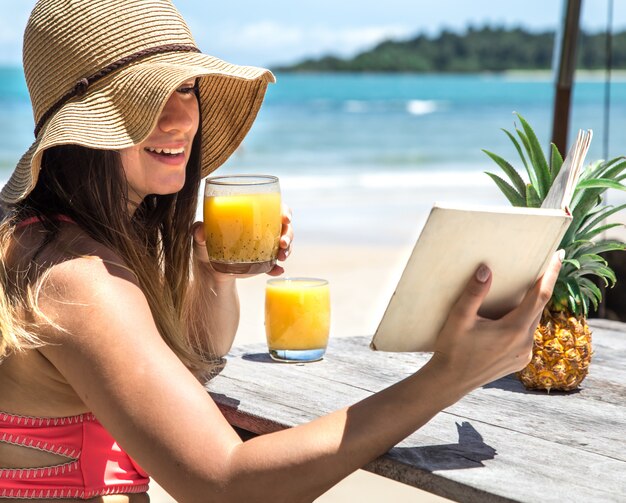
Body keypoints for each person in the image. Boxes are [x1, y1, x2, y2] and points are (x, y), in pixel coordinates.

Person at [0, 0, 562, 501]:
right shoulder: (78, 278)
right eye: (145, 99)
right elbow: (225, 483)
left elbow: (177, 373)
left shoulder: (52, 239)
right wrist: (446, 379)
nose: (179, 119)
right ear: (85, 128)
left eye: (186, 88)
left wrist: (212, 277)